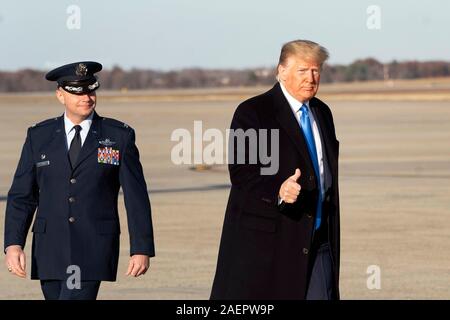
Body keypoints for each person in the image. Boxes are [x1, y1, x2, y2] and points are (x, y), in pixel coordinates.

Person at [3, 61, 155, 300]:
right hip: (49, 249)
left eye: (91, 90)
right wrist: (13, 244)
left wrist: (141, 248)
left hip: (92, 246)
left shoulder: (118, 136)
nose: (86, 97)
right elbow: (22, 195)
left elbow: (136, 198)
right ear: (60, 95)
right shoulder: (38, 136)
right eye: (78, 91)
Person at [210, 40, 340, 299]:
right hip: (273, 241)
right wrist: (278, 189)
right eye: (303, 71)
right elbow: (242, 172)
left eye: (316, 71)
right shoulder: (254, 112)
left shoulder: (322, 112)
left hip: (319, 238)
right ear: (281, 71)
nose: (311, 78)